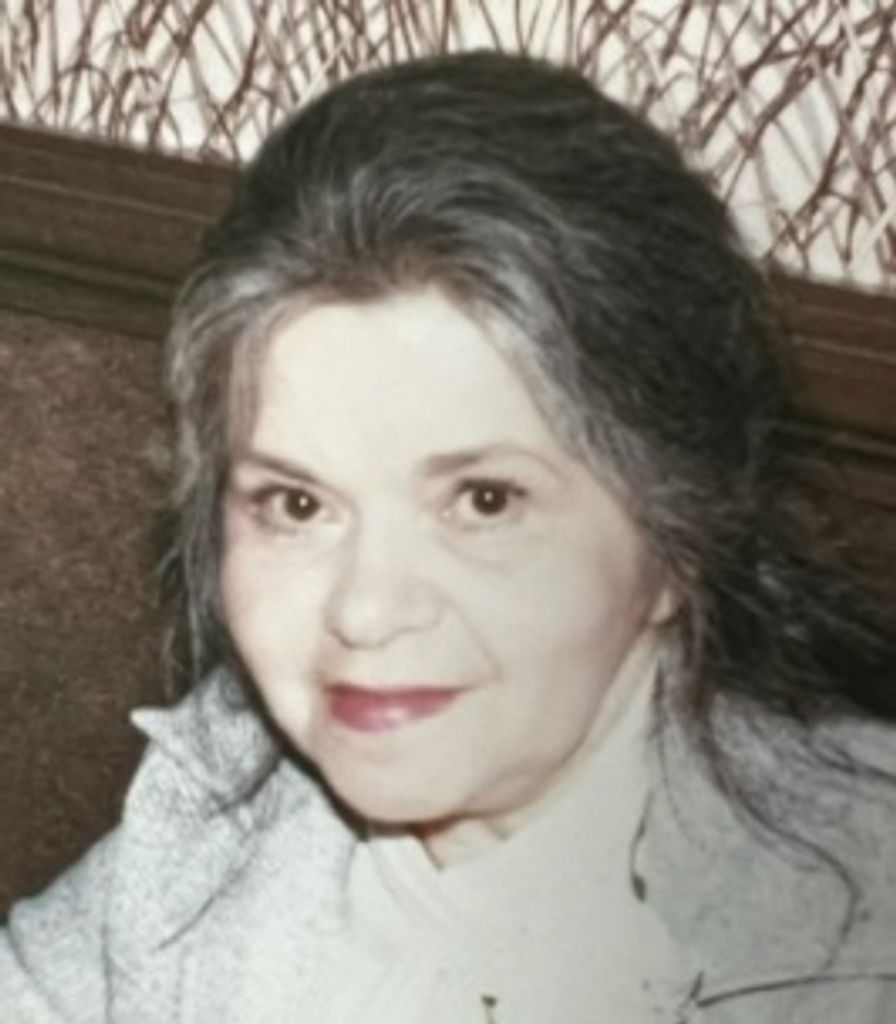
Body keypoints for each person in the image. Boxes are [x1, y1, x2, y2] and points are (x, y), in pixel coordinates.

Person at [2, 51, 895, 1023]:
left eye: (483, 501)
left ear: (675, 534)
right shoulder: (218, 809)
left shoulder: (854, 928)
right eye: (296, 505)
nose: (365, 608)